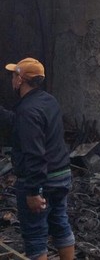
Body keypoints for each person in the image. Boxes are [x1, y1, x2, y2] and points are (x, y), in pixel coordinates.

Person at [1, 58, 75, 260]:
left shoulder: (27, 110)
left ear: (20, 79)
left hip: (41, 180)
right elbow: (22, 124)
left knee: (35, 237)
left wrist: (34, 191)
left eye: (14, 75)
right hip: (61, 175)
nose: (12, 79)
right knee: (60, 224)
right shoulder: (48, 101)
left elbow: (34, 153)